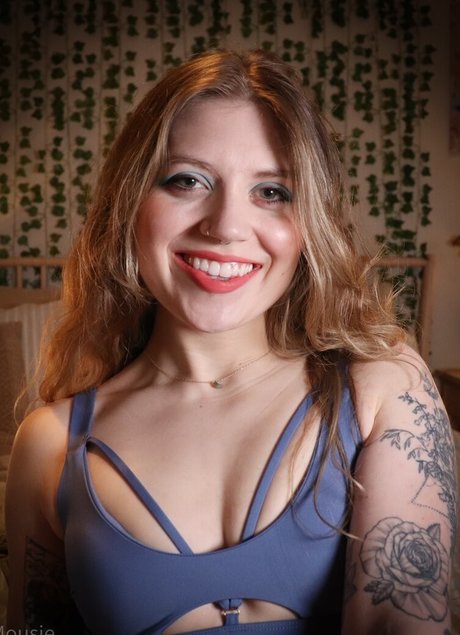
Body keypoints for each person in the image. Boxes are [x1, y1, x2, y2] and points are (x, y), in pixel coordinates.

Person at [5, 49, 456, 635]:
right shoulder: (51, 444)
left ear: (309, 224)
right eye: (187, 181)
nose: (225, 227)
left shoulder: (381, 387)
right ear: (129, 203)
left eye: (272, 191)